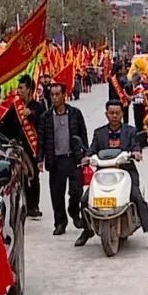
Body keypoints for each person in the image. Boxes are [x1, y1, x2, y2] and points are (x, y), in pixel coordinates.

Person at [76, 101, 148, 249]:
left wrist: (136, 153)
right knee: (84, 200)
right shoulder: (99, 133)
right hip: (103, 173)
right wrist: (86, 157)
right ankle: (87, 230)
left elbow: (135, 146)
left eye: (117, 113)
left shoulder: (130, 131)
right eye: (111, 113)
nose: (114, 116)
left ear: (122, 114)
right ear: (106, 114)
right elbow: (92, 149)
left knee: (137, 198)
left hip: (126, 172)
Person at [37, 82, 88, 236]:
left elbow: (83, 134)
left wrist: (85, 153)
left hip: (73, 159)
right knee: (57, 194)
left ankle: (74, 211)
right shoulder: (45, 117)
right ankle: (60, 223)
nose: (55, 98)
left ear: (64, 95)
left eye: (58, 94)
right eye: (52, 95)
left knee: (76, 191)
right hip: (56, 161)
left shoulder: (75, 113)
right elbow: (41, 140)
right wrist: (40, 159)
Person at [17, 75, 45, 219]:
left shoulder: (38, 106)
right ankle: (24, 205)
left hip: (33, 148)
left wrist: (31, 115)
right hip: (19, 149)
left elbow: (42, 123)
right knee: (20, 178)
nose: (19, 91)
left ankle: (34, 206)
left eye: (22, 88)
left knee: (33, 177)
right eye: (18, 88)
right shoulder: (17, 106)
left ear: (29, 89)